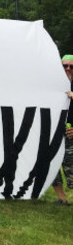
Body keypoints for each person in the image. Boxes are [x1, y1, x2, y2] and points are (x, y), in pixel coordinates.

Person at [53, 54, 73, 206]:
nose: (67, 69)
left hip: (70, 135)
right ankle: (62, 199)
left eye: (71, 66)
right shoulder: (54, 84)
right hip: (53, 133)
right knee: (51, 165)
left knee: (70, 166)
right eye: (64, 66)